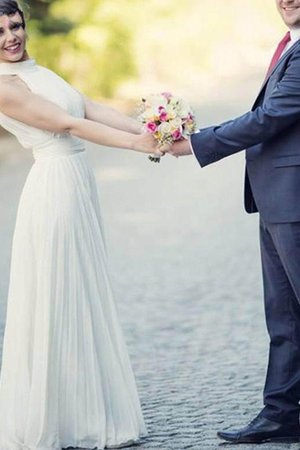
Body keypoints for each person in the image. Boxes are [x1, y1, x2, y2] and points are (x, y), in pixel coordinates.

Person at [0, 1, 163, 449]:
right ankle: (60, 418)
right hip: (53, 186)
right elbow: (68, 122)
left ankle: (85, 406)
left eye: (14, 24)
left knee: (82, 286)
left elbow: (86, 106)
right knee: (60, 289)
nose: (10, 36)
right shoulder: (4, 85)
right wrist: (137, 144)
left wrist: (153, 130)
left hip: (76, 180)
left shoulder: (38, 71)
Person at [168, 0, 300, 445]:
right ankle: (281, 414)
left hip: (295, 204)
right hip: (276, 202)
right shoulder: (289, 45)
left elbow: (269, 118)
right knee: (283, 316)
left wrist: (197, 144)